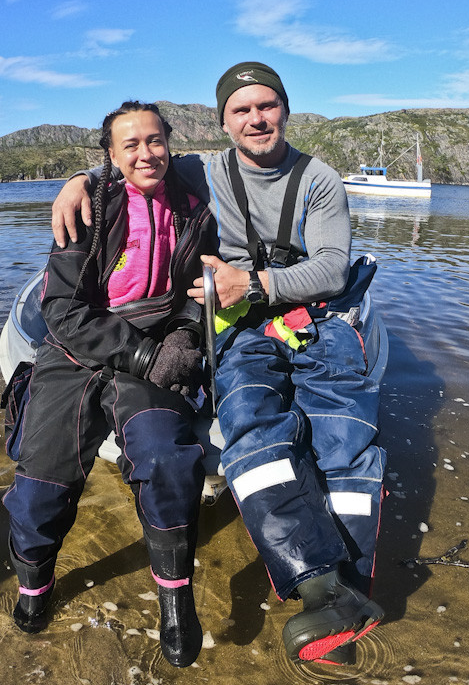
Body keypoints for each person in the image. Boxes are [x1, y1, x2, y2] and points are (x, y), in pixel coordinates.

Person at [52, 63, 386, 667]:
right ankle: (316, 587)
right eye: (241, 110)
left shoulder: (320, 180)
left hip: (316, 317)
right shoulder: (202, 167)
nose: (256, 119)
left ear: (285, 110)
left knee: (342, 438)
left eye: (267, 106)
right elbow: (132, 161)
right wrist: (79, 180)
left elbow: (334, 268)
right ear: (225, 120)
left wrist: (252, 282)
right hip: (243, 327)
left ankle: (352, 590)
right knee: (252, 426)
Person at [3, 101, 217, 668]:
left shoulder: (196, 208)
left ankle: (175, 597)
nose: (146, 153)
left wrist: (185, 338)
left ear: (170, 142)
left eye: (155, 140)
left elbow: (201, 291)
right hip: (79, 347)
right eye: (131, 145)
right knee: (40, 484)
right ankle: (33, 585)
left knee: (167, 460)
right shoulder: (88, 206)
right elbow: (61, 308)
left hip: (156, 343)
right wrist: (143, 354)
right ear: (110, 156)